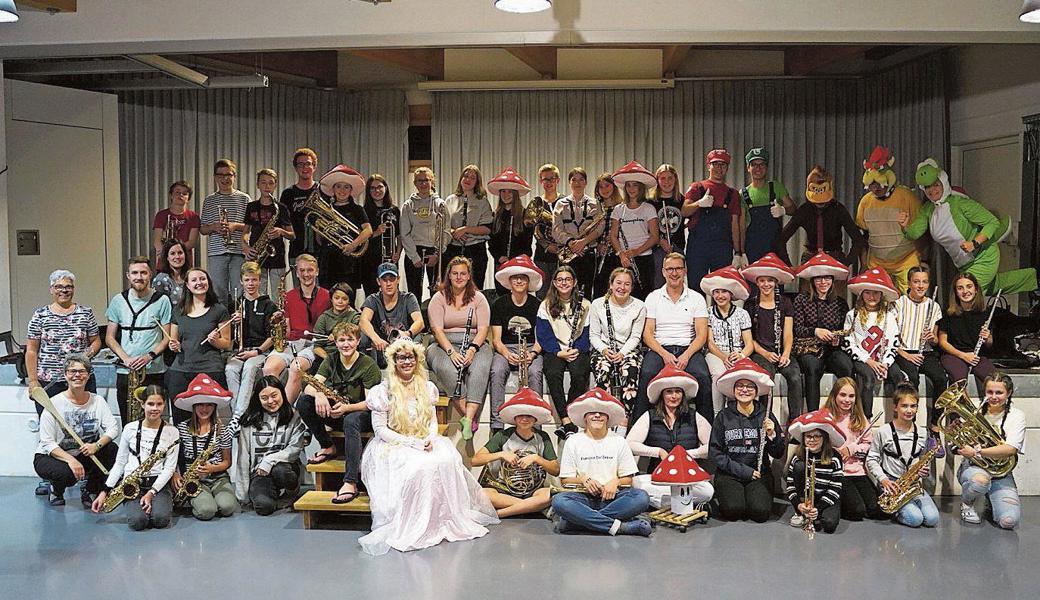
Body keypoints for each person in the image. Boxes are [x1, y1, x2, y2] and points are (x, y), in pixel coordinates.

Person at [359, 338, 499, 555]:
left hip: (423, 439)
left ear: (417, 360)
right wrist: (412, 443)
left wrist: (431, 438)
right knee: (419, 468)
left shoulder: (427, 387)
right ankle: (416, 522)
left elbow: (432, 421)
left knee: (445, 459)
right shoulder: (383, 390)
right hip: (396, 444)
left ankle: (440, 519)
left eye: (410, 357)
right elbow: (381, 431)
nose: (406, 362)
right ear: (394, 361)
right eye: (401, 358)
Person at [903, 158, 1037, 297]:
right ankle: (1034, 279)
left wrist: (975, 243)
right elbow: (914, 233)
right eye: (927, 187)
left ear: (943, 182)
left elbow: (992, 222)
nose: (932, 190)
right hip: (964, 264)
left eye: (935, 185)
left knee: (964, 294)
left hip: (983, 256)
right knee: (993, 287)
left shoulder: (960, 203)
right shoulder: (928, 210)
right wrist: (905, 225)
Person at [296, 322, 380, 504]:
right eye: (341, 340)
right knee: (304, 401)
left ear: (358, 341)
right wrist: (319, 394)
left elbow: (371, 403)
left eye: (350, 339)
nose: (346, 344)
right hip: (338, 411)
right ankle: (327, 445)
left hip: (361, 414)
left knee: (351, 420)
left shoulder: (368, 364)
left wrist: (346, 408)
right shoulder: (331, 360)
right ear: (336, 343)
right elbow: (311, 386)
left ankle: (350, 482)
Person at [550, 388, 652, 537]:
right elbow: (565, 480)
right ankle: (620, 527)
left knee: (641, 497)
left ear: (608, 418)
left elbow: (628, 479)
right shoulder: (573, 441)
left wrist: (615, 482)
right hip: (582, 497)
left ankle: (576, 522)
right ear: (585, 417)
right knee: (559, 501)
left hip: (613, 498)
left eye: (602, 412)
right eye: (592, 412)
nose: (597, 415)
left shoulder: (619, 441)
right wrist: (584, 479)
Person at [634, 253, 712, 423]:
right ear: (663, 272)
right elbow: (647, 334)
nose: (674, 273)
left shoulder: (697, 298)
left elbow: (701, 335)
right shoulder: (653, 297)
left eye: (678, 268)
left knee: (703, 376)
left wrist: (686, 355)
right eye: (670, 269)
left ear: (685, 271)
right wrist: (664, 354)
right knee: (647, 373)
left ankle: (708, 434)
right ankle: (637, 430)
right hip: (660, 348)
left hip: (688, 348)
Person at [33, 355, 119, 506]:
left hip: (86, 453)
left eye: (82, 371)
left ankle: (90, 489)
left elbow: (113, 428)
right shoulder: (54, 403)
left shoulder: (97, 401)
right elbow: (47, 442)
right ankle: (56, 489)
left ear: (88, 375)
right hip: (54, 456)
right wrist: (70, 460)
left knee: (112, 449)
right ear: (65, 375)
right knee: (66, 473)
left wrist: (96, 445)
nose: (77, 375)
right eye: (72, 371)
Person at [92, 384, 179, 531]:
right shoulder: (129, 428)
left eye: (159, 404)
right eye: (150, 404)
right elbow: (120, 463)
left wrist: (152, 493)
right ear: (142, 404)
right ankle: (143, 507)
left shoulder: (172, 431)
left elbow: (169, 468)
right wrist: (104, 491)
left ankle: (155, 504)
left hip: (158, 483)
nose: (155, 408)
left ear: (164, 405)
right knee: (137, 523)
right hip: (132, 483)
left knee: (160, 520)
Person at [709, 359, 785, 523]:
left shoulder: (766, 416)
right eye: (740, 386)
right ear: (733, 389)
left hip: (759, 474)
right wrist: (744, 472)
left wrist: (773, 435)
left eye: (750, 386)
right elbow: (715, 454)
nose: (744, 390)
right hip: (729, 474)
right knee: (733, 511)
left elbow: (778, 453)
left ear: (756, 391)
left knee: (760, 513)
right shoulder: (723, 417)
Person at [627, 367, 713, 510]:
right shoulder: (649, 415)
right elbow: (629, 444)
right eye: (669, 392)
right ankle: (683, 502)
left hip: (687, 478)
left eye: (678, 391)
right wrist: (658, 452)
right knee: (636, 483)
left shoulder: (694, 415)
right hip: (659, 478)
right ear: (662, 394)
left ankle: (663, 504)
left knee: (708, 491)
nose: (674, 396)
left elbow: (712, 446)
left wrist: (689, 454)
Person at [427, 256, 493, 441]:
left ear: (469, 275)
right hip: (442, 343)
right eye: (454, 273)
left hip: (474, 342)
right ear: (448, 275)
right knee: (447, 368)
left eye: (463, 273)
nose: (458, 277)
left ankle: (468, 418)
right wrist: (451, 352)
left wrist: (472, 350)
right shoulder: (438, 298)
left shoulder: (479, 298)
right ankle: (469, 417)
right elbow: (437, 330)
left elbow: (483, 329)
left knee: (480, 368)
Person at [105, 256, 173, 425]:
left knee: (155, 420)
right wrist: (126, 359)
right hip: (126, 371)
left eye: (143, 272)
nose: (139, 277)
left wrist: (149, 356)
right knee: (128, 421)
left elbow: (166, 338)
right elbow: (109, 338)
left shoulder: (162, 300)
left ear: (150, 275)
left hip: (154, 371)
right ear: (128, 275)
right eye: (134, 273)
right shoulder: (118, 301)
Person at [228, 375, 311, 515]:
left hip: (284, 467)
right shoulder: (249, 420)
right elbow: (243, 458)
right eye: (264, 398)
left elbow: (294, 449)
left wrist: (268, 461)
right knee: (263, 507)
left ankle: (290, 494)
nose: (271, 401)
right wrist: (242, 496)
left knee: (281, 471)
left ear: (282, 393)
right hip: (259, 474)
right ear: (258, 399)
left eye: (274, 395)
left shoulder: (293, 414)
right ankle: (272, 497)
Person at [473, 388, 560, 517]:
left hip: (533, 491)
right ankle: (532, 507)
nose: (524, 419)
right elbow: (475, 460)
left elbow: (555, 470)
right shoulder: (503, 435)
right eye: (520, 415)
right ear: (514, 418)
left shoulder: (543, 437)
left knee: (551, 494)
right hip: (504, 489)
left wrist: (536, 458)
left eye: (529, 415)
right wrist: (502, 454)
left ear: (535, 419)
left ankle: (500, 513)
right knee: (482, 494)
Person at [956, 372, 1024, 529]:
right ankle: (967, 503)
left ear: (1009, 393)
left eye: (999, 392)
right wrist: (958, 434)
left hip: (1001, 472)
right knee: (980, 481)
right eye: (989, 392)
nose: (993, 397)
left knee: (1009, 521)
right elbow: (956, 446)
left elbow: (1010, 449)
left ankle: (990, 500)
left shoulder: (1017, 416)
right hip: (975, 469)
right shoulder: (975, 412)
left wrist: (977, 451)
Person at [866, 384, 938, 528]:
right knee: (915, 519)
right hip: (891, 485)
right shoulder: (884, 431)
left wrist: (924, 471)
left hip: (912, 485)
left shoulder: (923, 433)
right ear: (895, 407)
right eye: (904, 406)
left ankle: (905, 507)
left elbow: (922, 459)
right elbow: (871, 459)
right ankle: (896, 511)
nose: (909, 410)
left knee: (932, 520)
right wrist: (884, 480)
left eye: (913, 406)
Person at [261, 254, 331, 403]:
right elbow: (286, 331)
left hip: (313, 343)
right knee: (268, 369)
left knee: (295, 368)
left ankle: (284, 412)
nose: (306, 274)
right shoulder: (289, 296)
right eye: (302, 270)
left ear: (317, 271)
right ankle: (272, 406)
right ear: (297, 273)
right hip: (291, 342)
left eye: (310, 270)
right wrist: (279, 324)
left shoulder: (328, 296)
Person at [165, 267, 231, 422]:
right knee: (180, 423)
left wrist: (215, 341)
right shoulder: (178, 310)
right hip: (180, 371)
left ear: (208, 282)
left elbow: (227, 343)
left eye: (202, 279)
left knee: (206, 423)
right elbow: (173, 342)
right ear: (187, 285)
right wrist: (173, 345)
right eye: (194, 280)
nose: (199, 283)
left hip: (210, 370)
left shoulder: (219, 310)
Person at [743, 253, 804, 420]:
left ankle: (795, 420)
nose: (766, 284)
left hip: (782, 350)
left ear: (776, 282)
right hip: (760, 351)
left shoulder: (785, 303)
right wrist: (765, 353)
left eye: (770, 280)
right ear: (757, 282)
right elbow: (749, 339)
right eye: (762, 280)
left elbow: (789, 333)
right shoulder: (750, 305)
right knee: (765, 379)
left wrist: (785, 354)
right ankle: (764, 419)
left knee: (794, 377)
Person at [792, 252, 854, 412]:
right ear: (812, 280)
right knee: (812, 368)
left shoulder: (840, 303)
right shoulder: (801, 300)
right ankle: (813, 414)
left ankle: (844, 412)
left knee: (846, 366)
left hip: (832, 349)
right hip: (809, 348)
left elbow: (845, 331)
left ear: (832, 280)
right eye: (819, 278)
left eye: (827, 278)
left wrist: (837, 339)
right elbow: (797, 329)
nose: (823, 282)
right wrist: (815, 331)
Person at [856, 146, 924, 292]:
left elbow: (922, 230)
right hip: (877, 262)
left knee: (910, 302)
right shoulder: (865, 201)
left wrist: (923, 259)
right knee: (877, 302)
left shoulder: (907, 196)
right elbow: (863, 236)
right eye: (872, 186)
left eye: (879, 184)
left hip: (906, 260)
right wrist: (863, 264)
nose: (876, 189)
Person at [489, 256, 545, 432]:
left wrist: (532, 354)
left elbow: (540, 339)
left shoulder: (538, 305)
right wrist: (507, 354)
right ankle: (497, 424)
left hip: (530, 348)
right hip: (506, 347)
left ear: (529, 281)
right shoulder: (499, 304)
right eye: (515, 277)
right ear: (509, 281)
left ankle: (537, 424)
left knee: (535, 372)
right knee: (496, 370)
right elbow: (496, 340)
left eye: (523, 277)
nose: (519, 281)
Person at [894, 264, 946, 449]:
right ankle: (909, 426)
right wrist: (906, 355)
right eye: (916, 282)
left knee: (941, 378)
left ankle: (935, 426)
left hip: (925, 351)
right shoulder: (898, 304)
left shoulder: (934, 306)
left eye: (924, 282)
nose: (920, 286)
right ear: (909, 283)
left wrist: (931, 338)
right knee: (912, 379)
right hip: (903, 351)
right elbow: (891, 337)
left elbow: (935, 340)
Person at [536, 264, 592, 438]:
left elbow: (588, 332)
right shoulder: (545, 305)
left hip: (577, 349)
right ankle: (566, 419)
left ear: (574, 282)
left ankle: (569, 417)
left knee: (579, 373)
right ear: (554, 282)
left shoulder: (585, 304)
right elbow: (543, 333)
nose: (564, 283)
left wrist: (576, 350)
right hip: (556, 349)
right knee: (552, 372)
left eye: (568, 279)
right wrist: (557, 351)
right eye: (560, 280)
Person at [171, 376, 236, 521]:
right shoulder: (181, 429)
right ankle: (197, 500)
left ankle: (210, 497)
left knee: (228, 508)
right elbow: (172, 457)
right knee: (207, 511)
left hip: (218, 477)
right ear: (193, 406)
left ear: (214, 407)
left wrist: (212, 469)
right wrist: (175, 474)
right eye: (200, 404)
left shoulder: (222, 430)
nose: (204, 409)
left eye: (209, 405)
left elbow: (227, 462)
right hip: (193, 478)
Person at [843, 268, 904, 419]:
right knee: (868, 380)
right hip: (862, 359)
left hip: (883, 360)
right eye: (868, 292)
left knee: (898, 376)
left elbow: (893, 342)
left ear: (882, 295)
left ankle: (899, 418)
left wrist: (886, 363)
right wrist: (868, 361)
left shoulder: (889, 316)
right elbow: (848, 343)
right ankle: (865, 419)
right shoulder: (853, 315)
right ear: (862, 294)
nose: (872, 296)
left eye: (876, 293)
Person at [776, 165, 866, 269]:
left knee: (837, 281)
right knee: (806, 283)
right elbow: (781, 239)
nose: (820, 203)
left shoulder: (838, 209)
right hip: (811, 256)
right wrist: (789, 266)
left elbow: (858, 239)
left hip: (834, 255)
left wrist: (846, 262)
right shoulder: (804, 210)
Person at [682, 149, 744, 292]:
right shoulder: (697, 187)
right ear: (708, 165)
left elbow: (734, 224)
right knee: (696, 287)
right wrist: (699, 203)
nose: (719, 168)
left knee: (721, 288)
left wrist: (738, 252)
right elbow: (684, 211)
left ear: (727, 168)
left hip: (722, 247)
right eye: (715, 164)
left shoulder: (732, 193)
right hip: (698, 246)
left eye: (723, 165)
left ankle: (719, 314)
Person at [822, 377, 882, 521]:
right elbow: (820, 446)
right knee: (857, 511)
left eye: (851, 396)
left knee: (877, 509)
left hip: (858, 471)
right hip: (837, 473)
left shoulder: (860, 417)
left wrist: (852, 449)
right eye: (842, 395)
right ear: (834, 395)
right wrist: (836, 452)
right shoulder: (825, 416)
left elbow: (869, 445)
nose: (847, 400)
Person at [589, 267, 646, 415]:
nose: (622, 287)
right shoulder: (597, 304)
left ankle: (624, 419)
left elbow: (635, 336)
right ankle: (602, 415)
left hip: (628, 351)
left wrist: (622, 353)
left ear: (632, 287)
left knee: (630, 372)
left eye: (627, 284)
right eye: (618, 283)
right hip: (604, 350)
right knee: (604, 370)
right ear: (611, 284)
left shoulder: (639, 306)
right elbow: (594, 335)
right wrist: (604, 350)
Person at [225, 262, 278, 416]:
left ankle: (240, 415)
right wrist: (233, 323)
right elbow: (228, 335)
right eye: (247, 280)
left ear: (260, 281)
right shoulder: (234, 304)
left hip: (259, 352)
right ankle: (238, 413)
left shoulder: (268, 305)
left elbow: (273, 337)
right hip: (239, 351)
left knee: (249, 368)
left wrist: (257, 351)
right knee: (230, 369)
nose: (250, 284)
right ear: (241, 281)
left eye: (254, 280)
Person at [700, 266, 754, 414]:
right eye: (716, 292)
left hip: (737, 353)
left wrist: (741, 355)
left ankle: (740, 414)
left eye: (723, 292)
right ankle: (718, 415)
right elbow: (709, 342)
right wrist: (724, 357)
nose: (720, 296)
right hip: (716, 353)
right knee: (718, 374)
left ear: (731, 294)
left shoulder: (742, 314)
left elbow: (749, 343)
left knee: (743, 376)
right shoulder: (708, 313)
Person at [199, 158, 250, 307]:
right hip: (217, 252)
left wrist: (235, 226)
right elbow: (202, 229)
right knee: (217, 292)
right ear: (215, 177)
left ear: (234, 176)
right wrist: (214, 227)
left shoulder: (244, 198)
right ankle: (222, 327)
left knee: (239, 292)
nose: (225, 178)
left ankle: (239, 326)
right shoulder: (209, 200)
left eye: (229, 174)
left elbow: (251, 226)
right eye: (221, 175)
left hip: (239, 251)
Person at [785, 410, 845, 534]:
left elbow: (835, 488)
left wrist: (819, 508)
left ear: (825, 438)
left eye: (817, 436)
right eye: (808, 436)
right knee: (800, 466)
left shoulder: (835, 458)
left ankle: (816, 514)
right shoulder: (798, 457)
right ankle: (801, 513)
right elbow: (790, 485)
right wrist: (798, 505)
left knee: (829, 525)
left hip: (826, 497)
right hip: (805, 500)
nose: (812, 440)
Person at [937, 272, 998, 394]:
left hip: (976, 356)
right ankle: (963, 412)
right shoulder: (948, 314)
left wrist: (987, 338)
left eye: (969, 286)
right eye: (960, 288)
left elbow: (989, 344)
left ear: (976, 290)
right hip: (953, 355)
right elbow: (942, 342)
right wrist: (963, 355)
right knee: (959, 380)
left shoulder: (985, 314)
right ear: (956, 292)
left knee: (995, 381)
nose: (965, 291)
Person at [315, 165, 373, 291]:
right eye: (339, 186)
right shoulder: (326, 209)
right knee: (327, 296)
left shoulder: (357, 209)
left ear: (351, 190)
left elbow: (368, 230)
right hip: (328, 260)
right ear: (333, 189)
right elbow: (319, 239)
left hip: (348, 261)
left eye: (346, 187)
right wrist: (320, 228)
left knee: (348, 296)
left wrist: (353, 245)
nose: (342, 190)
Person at [609, 161, 659, 300]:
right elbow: (613, 236)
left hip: (644, 258)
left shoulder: (649, 208)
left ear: (641, 187)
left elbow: (654, 236)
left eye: (635, 185)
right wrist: (621, 255)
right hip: (623, 259)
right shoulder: (618, 209)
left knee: (644, 295)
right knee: (621, 294)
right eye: (628, 185)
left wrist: (637, 251)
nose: (631, 189)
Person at [358, 263, 423, 368]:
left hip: (403, 345)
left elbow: (420, 322)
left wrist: (407, 333)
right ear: (378, 282)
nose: (388, 283)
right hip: (380, 347)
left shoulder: (408, 298)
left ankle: (410, 368)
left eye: (392, 279)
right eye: (384, 280)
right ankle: (368, 370)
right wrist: (376, 339)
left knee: (418, 337)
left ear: (398, 279)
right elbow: (363, 321)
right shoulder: (373, 299)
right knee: (363, 335)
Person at [553, 167, 604, 298]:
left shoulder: (595, 203)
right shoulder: (560, 204)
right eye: (574, 179)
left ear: (586, 182)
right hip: (568, 253)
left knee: (586, 290)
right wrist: (571, 243)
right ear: (569, 182)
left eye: (581, 179)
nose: (577, 183)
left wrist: (584, 242)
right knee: (565, 289)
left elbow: (600, 227)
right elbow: (556, 229)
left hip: (588, 252)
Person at [739, 148, 796, 264]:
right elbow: (741, 227)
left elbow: (794, 209)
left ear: (766, 167)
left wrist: (784, 210)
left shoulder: (776, 187)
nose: (758, 168)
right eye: (754, 165)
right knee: (753, 281)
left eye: (761, 165)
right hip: (753, 248)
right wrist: (741, 252)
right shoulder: (743, 194)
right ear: (748, 168)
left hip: (775, 247)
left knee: (777, 280)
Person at [243, 168, 294, 296]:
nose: (267, 186)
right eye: (263, 182)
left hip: (277, 256)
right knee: (259, 294)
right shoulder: (251, 206)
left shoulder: (280, 208)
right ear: (258, 184)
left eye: (271, 183)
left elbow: (292, 235)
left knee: (278, 294)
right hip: (256, 256)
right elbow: (245, 232)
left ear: (275, 185)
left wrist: (281, 231)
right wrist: (245, 247)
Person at [443, 165, 494, 289]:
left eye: (473, 178)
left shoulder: (482, 201)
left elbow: (487, 228)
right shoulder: (450, 200)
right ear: (461, 178)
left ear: (477, 182)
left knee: (475, 288)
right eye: (466, 176)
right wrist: (455, 232)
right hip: (453, 249)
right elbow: (443, 226)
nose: (468, 180)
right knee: (453, 288)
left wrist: (465, 229)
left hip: (475, 250)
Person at [487, 168, 536, 294]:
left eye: (510, 192)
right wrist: (499, 257)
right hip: (501, 264)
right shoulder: (495, 216)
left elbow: (527, 244)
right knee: (502, 296)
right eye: (503, 191)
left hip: (519, 265)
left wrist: (516, 259)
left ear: (515, 194)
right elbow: (492, 243)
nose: (506, 195)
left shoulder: (525, 215)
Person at [400, 167, 446, 300]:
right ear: (415, 183)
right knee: (413, 293)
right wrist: (414, 256)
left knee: (437, 293)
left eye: (426, 180)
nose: (423, 183)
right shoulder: (408, 205)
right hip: (414, 251)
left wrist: (437, 254)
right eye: (419, 180)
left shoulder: (441, 204)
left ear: (432, 181)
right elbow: (405, 233)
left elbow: (445, 231)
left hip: (434, 251)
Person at [280, 148, 321, 284]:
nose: (304, 167)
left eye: (308, 163)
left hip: (321, 252)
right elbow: (283, 223)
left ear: (314, 166)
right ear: (296, 168)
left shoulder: (323, 191)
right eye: (300, 164)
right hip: (296, 251)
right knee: (299, 293)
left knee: (322, 295)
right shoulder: (287, 194)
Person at [359, 174, 402, 297]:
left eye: (380, 187)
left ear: (386, 188)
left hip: (389, 258)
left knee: (390, 293)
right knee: (372, 293)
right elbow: (359, 238)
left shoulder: (394, 210)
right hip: (370, 259)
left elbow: (399, 236)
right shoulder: (363, 210)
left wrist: (398, 253)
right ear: (368, 191)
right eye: (372, 188)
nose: (377, 191)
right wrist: (376, 232)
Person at [649, 164, 687, 289]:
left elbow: (691, 219)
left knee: (677, 284)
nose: (667, 182)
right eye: (663, 178)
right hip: (657, 249)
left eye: (670, 178)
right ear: (657, 180)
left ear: (675, 179)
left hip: (677, 247)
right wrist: (660, 240)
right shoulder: (651, 202)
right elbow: (647, 227)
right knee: (659, 283)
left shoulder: (683, 200)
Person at [531, 164, 563, 299]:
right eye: (545, 179)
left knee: (561, 294)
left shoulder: (565, 202)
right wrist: (547, 245)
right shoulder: (537, 203)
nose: (548, 182)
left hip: (562, 256)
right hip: (542, 256)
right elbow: (534, 229)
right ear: (540, 181)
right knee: (542, 295)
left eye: (552, 179)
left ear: (558, 180)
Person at [152, 180, 200, 269]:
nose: (181, 195)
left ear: (188, 198)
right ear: (171, 195)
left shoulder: (194, 217)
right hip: (165, 261)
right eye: (177, 192)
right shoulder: (161, 215)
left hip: (185, 261)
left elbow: (192, 242)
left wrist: (176, 253)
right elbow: (157, 240)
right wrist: (166, 254)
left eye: (184, 193)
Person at [592, 172, 626, 296]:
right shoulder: (596, 208)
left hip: (617, 253)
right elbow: (590, 231)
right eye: (601, 187)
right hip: (601, 253)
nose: (604, 189)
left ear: (614, 186)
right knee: (600, 289)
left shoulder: (623, 207)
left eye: (607, 185)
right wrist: (598, 245)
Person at [312, 282, 361, 366]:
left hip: (349, 355)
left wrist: (336, 335)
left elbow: (356, 338)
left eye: (344, 299)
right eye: (337, 298)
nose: (340, 301)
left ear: (349, 301)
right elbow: (316, 347)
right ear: (331, 299)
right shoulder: (324, 317)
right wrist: (329, 360)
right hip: (327, 356)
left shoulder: (355, 317)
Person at [152, 239, 190, 311]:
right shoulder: (161, 279)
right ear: (167, 258)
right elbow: (158, 308)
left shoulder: (191, 276)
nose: (177, 257)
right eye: (172, 253)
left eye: (180, 253)